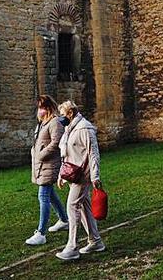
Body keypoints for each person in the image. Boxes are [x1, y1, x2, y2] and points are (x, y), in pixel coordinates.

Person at [55, 100, 105, 260]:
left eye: (63, 114)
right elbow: (67, 154)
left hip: (83, 175)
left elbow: (93, 153)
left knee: (72, 205)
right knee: (84, 207)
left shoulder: (84, 128)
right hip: (73, 174)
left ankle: (72, 247)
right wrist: (61, 175)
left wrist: (95, 176)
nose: (61, 118)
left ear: (70, 113)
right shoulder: (69, 129)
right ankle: (95, 241)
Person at [26, 96, 68, 246]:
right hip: (41, 165)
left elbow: (57, 142)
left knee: (43, 196)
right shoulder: (42, 124)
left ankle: (41, 233)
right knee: (50, 195)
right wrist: (35, 152)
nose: (39, 111)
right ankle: (64, 220)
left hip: (50, 164)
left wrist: (42, 154)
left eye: (41, 107)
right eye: (38, 107)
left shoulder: (55, 122)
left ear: (48, 108)